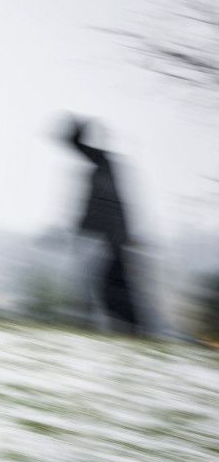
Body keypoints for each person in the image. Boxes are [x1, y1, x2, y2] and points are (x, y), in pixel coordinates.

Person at [64, 116, 143, 335]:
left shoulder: (103, 167)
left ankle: (130, 329)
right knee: (109, 285)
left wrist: (87, 227)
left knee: (111, 287)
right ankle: (129, 329)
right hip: (110, 239)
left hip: (111, 239)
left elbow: (109, 208)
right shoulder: (105, 168)